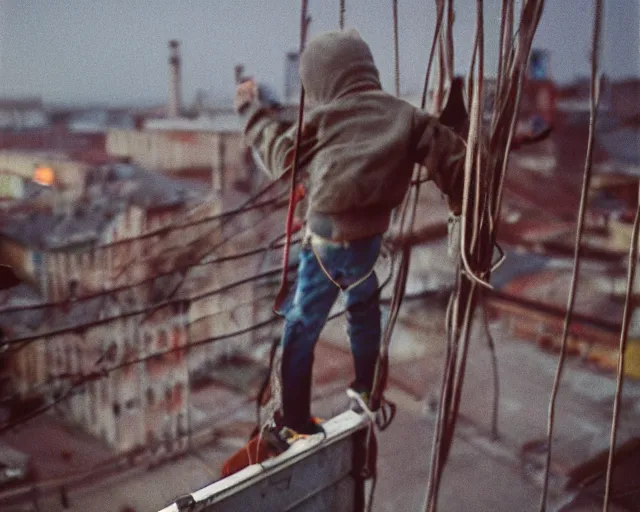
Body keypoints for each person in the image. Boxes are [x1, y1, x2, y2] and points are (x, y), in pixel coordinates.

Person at [235, 28, 466, 445]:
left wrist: (252, 113)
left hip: (323, 243)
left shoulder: (323, 118)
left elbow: (278, 157)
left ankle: (296, 418)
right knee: (363, 313)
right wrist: (460, 206)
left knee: (303, 324)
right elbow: (453, 160)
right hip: (368, 244)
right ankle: (364, 388)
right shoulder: (405, 115)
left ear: (322, 81)